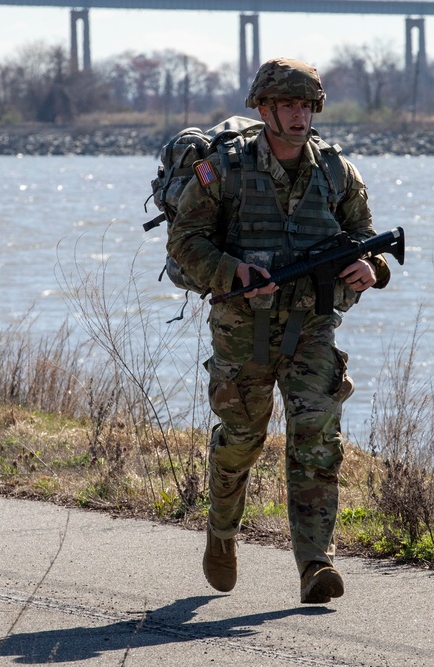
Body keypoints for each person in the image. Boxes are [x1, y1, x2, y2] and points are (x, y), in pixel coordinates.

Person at [167, 57, 391, 604]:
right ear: (263, 108)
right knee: (242, 440)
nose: (299, 115)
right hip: (243, 330)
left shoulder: (337, 171)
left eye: (307, 105)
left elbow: (366, 236)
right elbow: (185, 241)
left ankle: (316, 564)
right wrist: (232, 272)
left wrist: (373, 271)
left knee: (317, 438)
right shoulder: (224, 169)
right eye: (288, 105)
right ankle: (221, 533)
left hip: (313, 327)